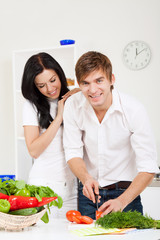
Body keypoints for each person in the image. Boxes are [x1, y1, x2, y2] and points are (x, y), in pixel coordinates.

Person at [63, 51, 159, 220]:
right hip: (89, 193)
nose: (93, 90)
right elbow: (72, 152)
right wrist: (86, 178)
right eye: (85, 83)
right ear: (79, 83)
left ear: (111, 79)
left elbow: (148, 167)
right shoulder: (73, 105)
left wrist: (122, 201)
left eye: (99, 80)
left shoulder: (133, 109)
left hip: (126, 194)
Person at [21, 52, 79, 218]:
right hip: (45, 187)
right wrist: (59, 116)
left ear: (59, 75)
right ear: (34, 86)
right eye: (42, 85)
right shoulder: (31, 106)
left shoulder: (73, 99)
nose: (50, 89)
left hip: (73, 187)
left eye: (53, 80)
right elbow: (34, 150)